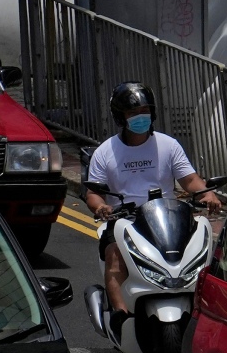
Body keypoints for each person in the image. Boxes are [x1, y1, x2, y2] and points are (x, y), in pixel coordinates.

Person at [85, 82, 220, 321]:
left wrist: (206, 194)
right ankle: (120, 316)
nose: (141, 117)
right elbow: (93, 193)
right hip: (124, 221)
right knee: (114, 257)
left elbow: (189, 180)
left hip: (166, 217)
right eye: (133, 113)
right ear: (121, 117)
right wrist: (101, 206)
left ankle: (206, 314)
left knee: (206, 251)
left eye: (145, 111)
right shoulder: (105, 152)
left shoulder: (168, 145)